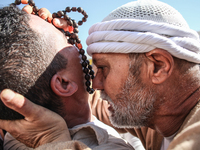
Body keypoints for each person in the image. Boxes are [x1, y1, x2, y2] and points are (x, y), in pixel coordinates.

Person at [1, 0, 200, 150]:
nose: (95, 82)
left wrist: (54, 141)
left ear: (157, 67)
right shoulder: (154, 109)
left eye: (103, 68)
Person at [0, 4, 133, 150]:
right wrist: (55, 141)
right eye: (67, 41)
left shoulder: (14, 136)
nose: (76, 43)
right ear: (64, 83)